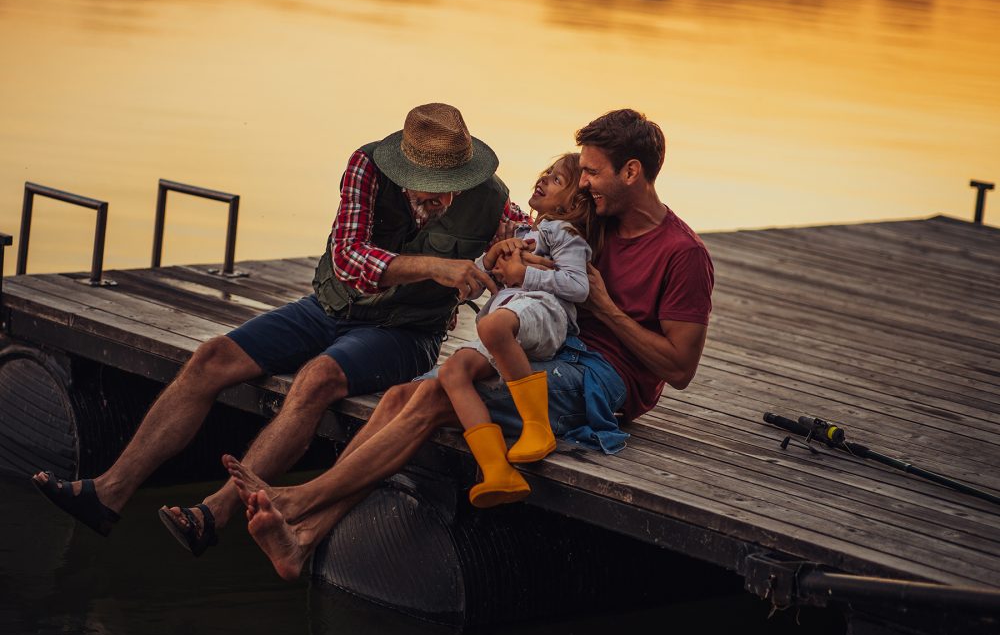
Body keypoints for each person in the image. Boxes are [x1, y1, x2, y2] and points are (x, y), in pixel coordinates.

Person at [224, 108, 715, 581]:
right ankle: (303, 540)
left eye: (591, 172)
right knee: (402, 396)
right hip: (550, 348)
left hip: (604, 378)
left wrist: (606, 307)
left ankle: (298, 502)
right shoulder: (592, 220)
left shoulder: (682, 254)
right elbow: (536, 238)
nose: (582, 182)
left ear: (632, 171)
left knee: (437, 396)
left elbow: (679, 369)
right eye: (580, 173)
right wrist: (506, 254)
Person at [31, 102, 527, 551]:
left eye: (450, 186)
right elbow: (349, 257)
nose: (439, 198)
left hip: (404, 335)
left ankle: (212, 514)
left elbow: (529, 234)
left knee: (317, 378)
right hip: (328, 306)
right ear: (404, 167)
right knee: (211, 357)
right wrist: (436, 267)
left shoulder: (491, 198)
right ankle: (109, 492)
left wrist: (522, 248)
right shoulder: (366, 166)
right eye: (429, 187)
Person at [439, 151, 598, 508]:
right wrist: (493, 255)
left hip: (544, 312)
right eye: (546, 173)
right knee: (453, 372)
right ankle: (498, 471)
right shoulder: (523, 231)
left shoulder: (565, 233)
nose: (542, 179)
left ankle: (537, 427)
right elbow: (476, 279)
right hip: (510, 318)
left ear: (574, 203)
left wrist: (523, 274)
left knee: (494, 327)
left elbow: (578, 287)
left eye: (556, 180)